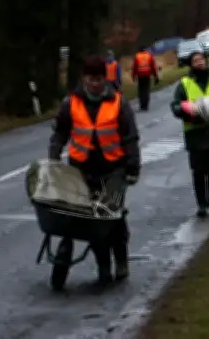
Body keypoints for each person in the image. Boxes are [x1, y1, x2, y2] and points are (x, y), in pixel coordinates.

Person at [48, 55, 141, 285]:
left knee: (112, 214)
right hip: (81, 170)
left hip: (114, 169)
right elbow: (60, 132)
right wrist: (54, 155)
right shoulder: (71, 103)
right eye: (91, 79)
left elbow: (130, 137)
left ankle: (120, 260)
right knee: (92, 221)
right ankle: (103, 265)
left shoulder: (119, 103)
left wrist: (133, 167)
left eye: (99, 79)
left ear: (105, 79)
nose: (95, 84)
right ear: (84, 79)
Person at [170, 52, 209, 218]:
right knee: (198, 171)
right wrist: (186, 110)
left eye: (201, 60)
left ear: (206, 61)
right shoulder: (184, 84)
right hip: (195, 134)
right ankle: (202, 205)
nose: (199, 63)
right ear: (191, 65)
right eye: (195, 61)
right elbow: (175, 106)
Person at [132, 46, 160, 111]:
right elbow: (153, 67)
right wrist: (156, 76)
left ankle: (142, 106)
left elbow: (134, 67)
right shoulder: (149, 55)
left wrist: (133, 76)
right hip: (147, 74)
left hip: (140, 75)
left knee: (141, 91)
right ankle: (146, 106)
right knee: (146, 90)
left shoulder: (137, 56)